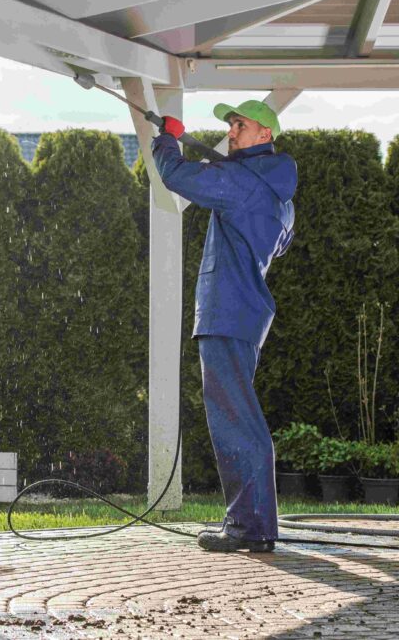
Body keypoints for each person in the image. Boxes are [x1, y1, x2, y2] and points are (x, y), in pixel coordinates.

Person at [151, 100, 296, 553]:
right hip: (246, 315)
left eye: (240, 126)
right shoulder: (279, 199)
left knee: (236, 421)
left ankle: (249, 528)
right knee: (240, 416)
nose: (231, 133)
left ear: (264, 136)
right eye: (231, 126)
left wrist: (167, 139)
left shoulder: (241, 184)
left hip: (226, 311)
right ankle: (251, 525)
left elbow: (176, 176)